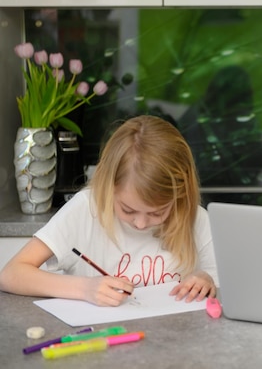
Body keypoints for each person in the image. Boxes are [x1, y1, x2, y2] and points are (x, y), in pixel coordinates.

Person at [0, 115, 218, 306]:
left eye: (157, 213)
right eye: (128, 209)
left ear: (180, 196)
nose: (141, 223)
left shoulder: (194, 218)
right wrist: (85, 289)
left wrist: (206, 279)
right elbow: (11, 274)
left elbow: (225, 277)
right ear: (108, 186)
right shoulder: (86, 209)